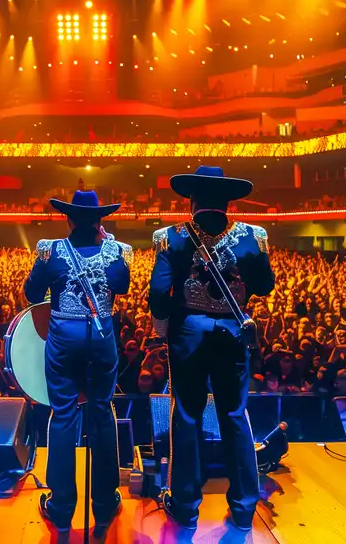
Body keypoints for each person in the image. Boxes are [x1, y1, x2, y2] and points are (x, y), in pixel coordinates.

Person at [148, 166, 275, 531]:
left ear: (191, 201)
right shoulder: (254, 236)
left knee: (186, 415)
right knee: (234, 415)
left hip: (188, 331)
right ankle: (244, 508)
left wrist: (163, 326)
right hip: (233, 331)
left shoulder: (170, 237)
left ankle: (185, 506)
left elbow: (159, 292)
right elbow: (265, 285)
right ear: (228, 201)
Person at [24, 190, 132, 535]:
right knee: (101, 412)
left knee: (63, 416)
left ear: (68, 219)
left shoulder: (50, 250)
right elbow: (123, 286)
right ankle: (104, 503)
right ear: (100, 221)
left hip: (63, 338)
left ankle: (60, 507)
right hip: (101, 339)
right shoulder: (117, 251)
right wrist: (109, 243)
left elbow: (31, 294)